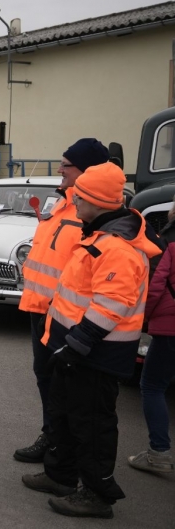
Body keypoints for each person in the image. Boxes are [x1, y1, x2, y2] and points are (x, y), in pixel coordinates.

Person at [22, 163, 161, 518]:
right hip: (74, 348)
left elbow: (111, 304)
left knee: (92, 425)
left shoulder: (118, 247)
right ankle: (61, 476)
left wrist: (77, 344)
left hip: (95, 354)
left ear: (97, 201)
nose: (74, 201)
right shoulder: (98, 235)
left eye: (80, 197)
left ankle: (97, 495)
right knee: (64, 415)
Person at [13, 138, 112, 464]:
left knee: (64, 385)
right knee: (45, 376)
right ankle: (53, 438)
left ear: (86, 170)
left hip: (66, 314)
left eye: (66, 164)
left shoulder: (90, 212)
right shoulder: (63, 203)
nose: (60, 169)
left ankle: (62, 450)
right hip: (40, 308)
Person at [126, 200, 175, 475]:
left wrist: (145, 319)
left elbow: (155, 287)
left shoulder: (169, 242)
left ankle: (159, 453)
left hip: (170, 329)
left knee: (153, 386)